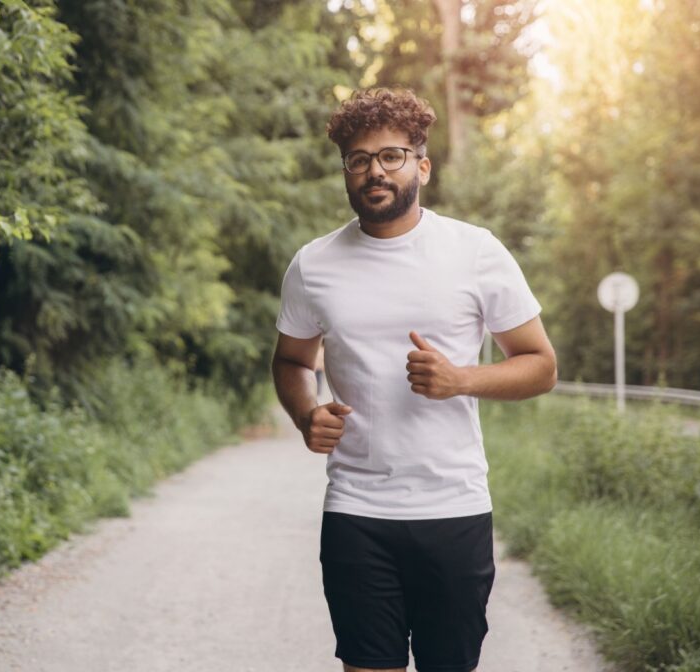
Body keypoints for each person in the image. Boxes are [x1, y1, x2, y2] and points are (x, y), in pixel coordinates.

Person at [271, 87, 557, 672]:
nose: (374, 170)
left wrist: (461, 379)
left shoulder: (475, 251)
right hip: (355, 510)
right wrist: (306, 414)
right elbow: (292, 361)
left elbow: (541, 365)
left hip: (453, 508)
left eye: (391, 155)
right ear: (346, 172)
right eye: (358, 159)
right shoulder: (313, 264)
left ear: (421, 166)